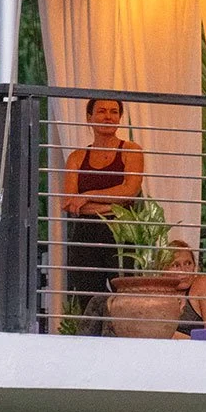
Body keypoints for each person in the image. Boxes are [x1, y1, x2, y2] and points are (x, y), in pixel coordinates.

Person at [60, 98, 145, 329]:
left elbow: (129, 191)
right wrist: (109, 203)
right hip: (86, 233)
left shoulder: (131, 150)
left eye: (114, 112)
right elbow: (68, 202)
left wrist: (87, 196)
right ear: (89, 118)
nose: (108, 116)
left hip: (119, 233)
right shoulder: (77, 157)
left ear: (119, 118)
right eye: (101, 111)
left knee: (124, 294)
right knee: (87, 297)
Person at [162, 239, 206, 334]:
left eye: (188, 263)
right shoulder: (158, 293)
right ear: (163, 269)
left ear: (194, 266)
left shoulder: (202, 284)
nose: (184, 270)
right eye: (176, 265)